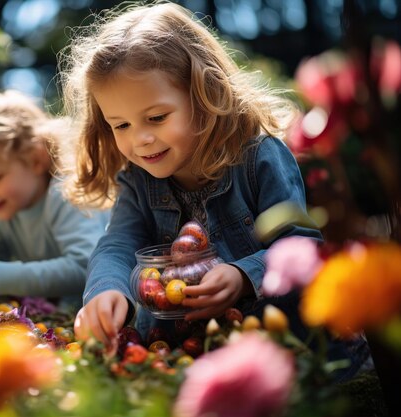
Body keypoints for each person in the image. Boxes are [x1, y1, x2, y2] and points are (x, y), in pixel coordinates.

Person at [56, 2, 370, 380]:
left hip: (281, 348)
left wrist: (243, 275)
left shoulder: (259, 156)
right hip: (187, 352)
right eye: (120, 125)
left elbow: (302, 245)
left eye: (156, 117)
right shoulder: (137, 179)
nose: (140, 139)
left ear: (205, 93)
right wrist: (107, 290)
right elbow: (118, 244)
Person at [0, 89, 109, 305]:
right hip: (52, 318)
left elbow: (86, 268)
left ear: (36, 159)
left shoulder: (67, 192)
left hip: (99, 312)